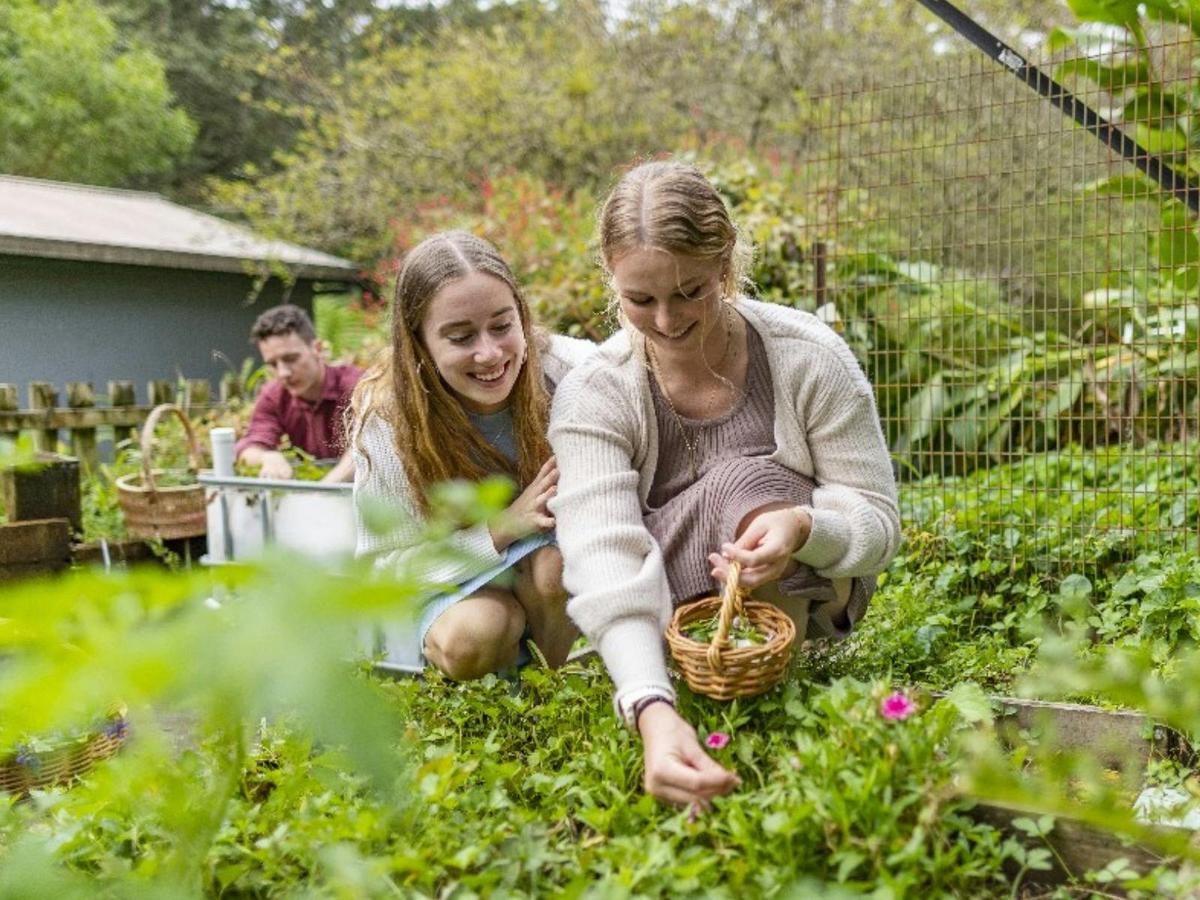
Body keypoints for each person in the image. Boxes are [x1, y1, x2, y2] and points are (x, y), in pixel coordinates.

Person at [548, 161, 900, 808]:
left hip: (805, 582)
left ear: (726, 262)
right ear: (611, 281)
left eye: (690, 291)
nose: (666, 320)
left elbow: (877, 521)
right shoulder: (595, 392)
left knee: (752, 483)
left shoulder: (808, 356)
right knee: (740, 483)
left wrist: (803, 527)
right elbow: (602, 552)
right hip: (666, 593)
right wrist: (649, 708)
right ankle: (694, 700)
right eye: (639, 299)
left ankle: (765, 702)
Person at [351, 231, 593, 678]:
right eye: (461, 337)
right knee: (478, 631)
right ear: (419, 343)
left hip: (553, 579)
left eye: (502, 326)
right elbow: (382, 572)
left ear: (521, 315)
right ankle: (484, 699)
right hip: (456, 586)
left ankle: (549, 691)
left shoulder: (572, 371)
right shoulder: (389, 419)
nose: (489, 354)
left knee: (552, 569)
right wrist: (501, 530)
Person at [236, 304, 362, 482]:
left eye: (291, 359)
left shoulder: (358, 387)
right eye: (273, 364)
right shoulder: (274, 396)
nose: (283, 373)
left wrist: (321, 492)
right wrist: (267, 457)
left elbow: (367, 448)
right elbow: (248, 448)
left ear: (317, 348)